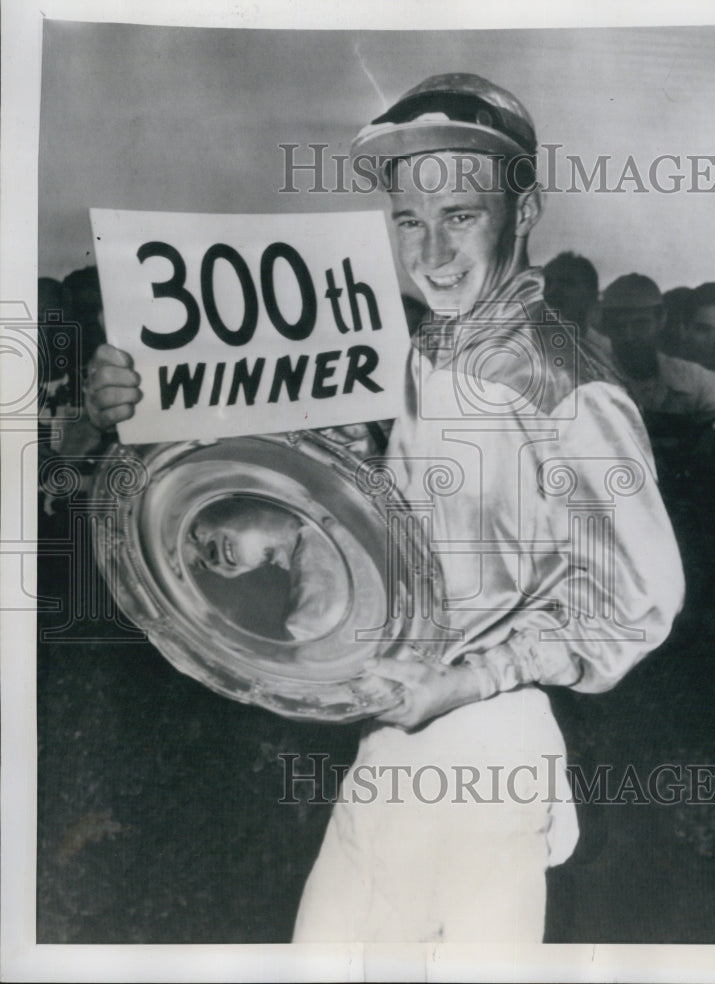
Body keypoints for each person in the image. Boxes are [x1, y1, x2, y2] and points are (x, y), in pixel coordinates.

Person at [84, 73, 684, 943]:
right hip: (386, 738)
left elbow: (638, 603)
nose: (430, 253)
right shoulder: (408, 352)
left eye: (460, 216)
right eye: (408, 220)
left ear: (523, 212)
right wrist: (136, 402)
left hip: (487, 750)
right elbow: (327, 488)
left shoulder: (569, 387)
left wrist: (466, 681)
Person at [184, 495, 349, 642]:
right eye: (201, 564)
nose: (210, 557)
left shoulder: (326, 503)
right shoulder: (308, 619)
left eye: (195, 534)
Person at [600, 273, 715, 416]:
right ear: (605, 326)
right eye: (618, 326)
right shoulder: (592, 377)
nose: (629, 335)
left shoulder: (689, 377)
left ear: (661, 319)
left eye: (641, 324)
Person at [543, 250, 611, 355]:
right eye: (547, 283)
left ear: (591, 297)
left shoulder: (605, 354)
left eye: (566, 283)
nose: (552, 291)